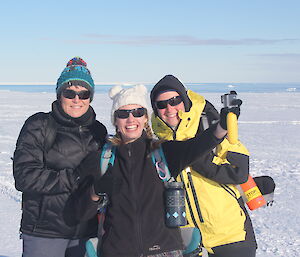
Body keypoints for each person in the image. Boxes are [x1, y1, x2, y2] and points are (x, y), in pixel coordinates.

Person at [75, 84, 237, 257]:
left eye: (137, 113)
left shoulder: (164, 153)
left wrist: (223, 124)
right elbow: (78, 213)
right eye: (123, 114)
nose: (131, 119)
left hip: (165, 250)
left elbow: (199, 145)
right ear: (115, 120)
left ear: (145, 118)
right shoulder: (101, 160)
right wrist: (95, 192)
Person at [150, 75, 257, 257]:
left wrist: (191, 152)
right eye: (161, 104)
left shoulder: (213, 124)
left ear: (184, 100)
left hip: (231, 237)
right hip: (189, 242)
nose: (169, 109)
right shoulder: (156, 139)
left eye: (174, 101)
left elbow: (238, 172)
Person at [13, 57, 107, 257]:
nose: (76, 99)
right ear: (59, 94)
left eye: (84, 94)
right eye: (70, 92)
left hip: (86, 230)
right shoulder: (39, 125)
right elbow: (25, 176)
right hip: (45, 233)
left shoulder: (98, 131)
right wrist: (75, 177)